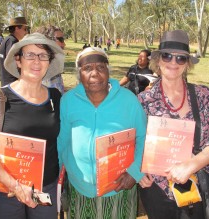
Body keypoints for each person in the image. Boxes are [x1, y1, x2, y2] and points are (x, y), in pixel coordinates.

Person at [0, 33, 65, 219]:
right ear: (18, 60)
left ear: (49, 61)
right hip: (6, 191)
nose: (36, 61)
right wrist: (15, 185)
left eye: (43, 55)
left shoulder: (55, 97)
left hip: (45, 191)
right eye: (29, 55)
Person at [138, 30, 209, 219]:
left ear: (187, 64)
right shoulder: (143, 101)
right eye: (167, 56)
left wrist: (193, 164)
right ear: (157, 60)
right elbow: (134, 141)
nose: (173, 62)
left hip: (197, 188)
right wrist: (138, 169)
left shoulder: (203, 96)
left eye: (181, 58)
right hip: (158, 191)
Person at [57, 47, 147, 219]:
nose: (95, 73)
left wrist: (135, 172)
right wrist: (56, 177)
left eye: (100, 67)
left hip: (119, 189)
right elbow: (62, 141)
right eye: (87, 68)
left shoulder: (128, 100)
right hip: (80, 189)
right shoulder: (68, 101)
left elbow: (143, 138)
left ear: (108, 70)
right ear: (79, 74)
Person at [36, 25, 66, 94]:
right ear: (48, 40)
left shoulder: (55, 64)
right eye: (61, 40)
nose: (64, 44)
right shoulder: (38, 66)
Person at [0, 16, 29, 86]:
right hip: (11, 82)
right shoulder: (12, 41)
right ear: (17, 28)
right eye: (25, 29)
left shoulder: (7, 39)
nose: (26, 32)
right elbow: (13, 60)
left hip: (6, 81)